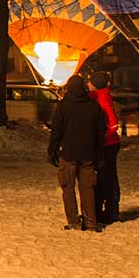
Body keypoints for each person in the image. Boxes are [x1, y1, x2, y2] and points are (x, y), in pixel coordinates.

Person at [48, 75, 106, 233]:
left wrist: (52, 149)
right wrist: (99, 151)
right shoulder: (93, 106)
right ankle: (91, 222)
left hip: (68, 153)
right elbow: (101, 130)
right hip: (88, 153)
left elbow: (56, 130)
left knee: (67, 187)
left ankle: (73, 221)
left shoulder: (63, 106)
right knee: (88, 188)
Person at [88, 72, 121, 225]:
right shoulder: (100, 96)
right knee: (105, 176)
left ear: (96, 84)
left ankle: (110, 212)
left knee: (107, 177)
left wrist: (103, 136)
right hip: (108, 143)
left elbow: (113, 122)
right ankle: (108, 210)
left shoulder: (102, 99)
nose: (88, 84)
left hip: (108, 144)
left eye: (90, 82)